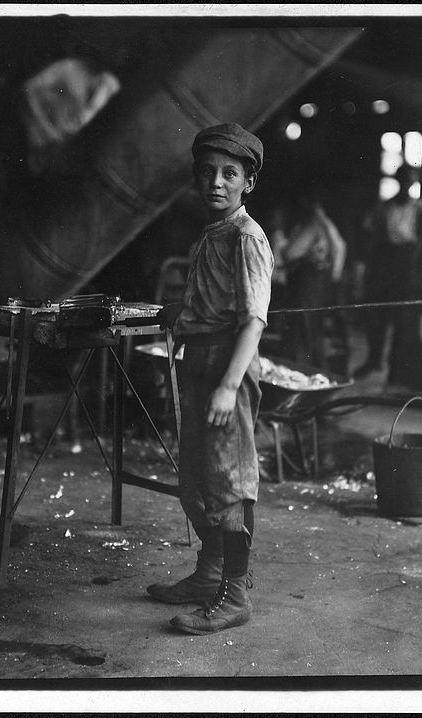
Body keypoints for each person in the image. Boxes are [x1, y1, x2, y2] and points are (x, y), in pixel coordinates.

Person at [150, 123, 274, 635]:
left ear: (248, 182)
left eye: (229, 173)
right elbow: (208, 302)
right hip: (197, 361)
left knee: (230, 480)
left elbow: (253, 319)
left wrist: (227, 384)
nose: (216, 183)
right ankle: (209, 574)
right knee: (198, 478)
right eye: (207, 173)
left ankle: (235, 593)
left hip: (228, 365)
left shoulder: (247, 237)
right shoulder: (211, 234)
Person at [353, 164, 422, 381]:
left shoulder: (420, 209)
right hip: (385, 263)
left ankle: (397, 371)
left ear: (414, 184)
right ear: (398, 181)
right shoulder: (384, 207)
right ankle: (374, 359)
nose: (406, 185)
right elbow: (370, 235)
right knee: (377, 314)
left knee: (402, 318)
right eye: (403, 180)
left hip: (407, 266)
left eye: (410, 182)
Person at [280, 190, 347, 369]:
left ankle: (302, 370)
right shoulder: (323, 223)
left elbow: (291, 252)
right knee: (310, 330)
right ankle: (309, 369)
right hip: (316, 282)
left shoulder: (314, 223)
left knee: (304, 329)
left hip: (309, 282)